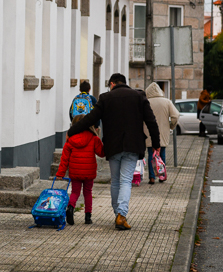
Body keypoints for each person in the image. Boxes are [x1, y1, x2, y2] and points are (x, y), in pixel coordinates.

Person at [67, 73, 161, 231]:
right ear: (125, 83)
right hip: (132, 145)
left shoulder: (105, 98)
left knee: (116, 181)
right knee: (125, 181)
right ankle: (121, 215)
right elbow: (151, 121)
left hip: (113, 147)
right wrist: (156, 144)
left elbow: (89, 119)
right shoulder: (139, 97)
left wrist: (72, 131)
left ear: (112, 84)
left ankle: (117, 213)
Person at [56, 114, 104, 226]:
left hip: (75, 172)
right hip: (89, 172)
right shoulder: (94, 138)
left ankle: (70, 208)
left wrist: (60, 173)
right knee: (88, 193)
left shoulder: (70, 140)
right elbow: (101, 153)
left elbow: (64, 159)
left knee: (75, 192)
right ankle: (88, 217)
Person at [143, 82, 180, 184]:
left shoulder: (146, 102)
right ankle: (161, 175)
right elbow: (176, 116)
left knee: (151, 154)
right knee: (161, 154)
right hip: (163, 133)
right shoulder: (167, 102)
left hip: (148, 132)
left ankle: (151, 177)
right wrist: (171, 125)